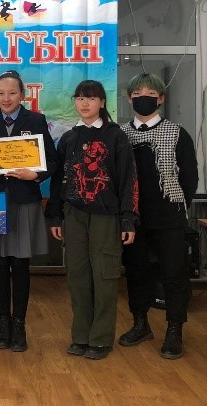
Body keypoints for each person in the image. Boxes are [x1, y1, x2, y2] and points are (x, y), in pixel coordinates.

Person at [45, 80, 139, 360]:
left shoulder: (115, 136)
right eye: (80, 98)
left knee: (105, 276)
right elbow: (59, 180)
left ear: (102, 102)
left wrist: (128, 219)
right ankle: (80, 336)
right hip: (74, 215)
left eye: (91, 98)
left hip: (106, 217)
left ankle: (100, 339)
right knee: (78, 277)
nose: (85, 103)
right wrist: (56, 215)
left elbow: (128, 180)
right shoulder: (69, 138)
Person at [0, 70, 56, 353]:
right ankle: (3, 323)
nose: (6, 98)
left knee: (20, 264)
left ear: (23, 95)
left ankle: (19, 324)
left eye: (11, 93)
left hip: (24, 200)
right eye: (0, 93)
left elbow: (52, 160)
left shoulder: (36, 120)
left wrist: (36, 175)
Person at [118, 73, 198, 360]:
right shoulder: (121, 133)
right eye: (137, 93)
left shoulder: (177, 133)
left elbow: (190, 177)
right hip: (133, 217)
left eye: (150, 94)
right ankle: (140, 324)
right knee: (136, 271)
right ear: (129, 99)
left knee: (174, 274)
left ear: (161, 99)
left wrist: (175, 205)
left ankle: (174, 330)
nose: (144, 98)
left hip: (168, 215)